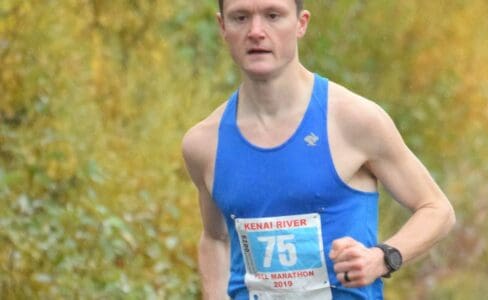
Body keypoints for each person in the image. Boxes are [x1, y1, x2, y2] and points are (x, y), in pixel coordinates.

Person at [182, 0, 456, 299]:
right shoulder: (204, 143)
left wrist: (381, 258)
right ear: (223, 26)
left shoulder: (353, 120)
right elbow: (215, 238)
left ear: (301, 23)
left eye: (273, 16)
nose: (256, 31)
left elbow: (436, 209)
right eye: (241, 17)